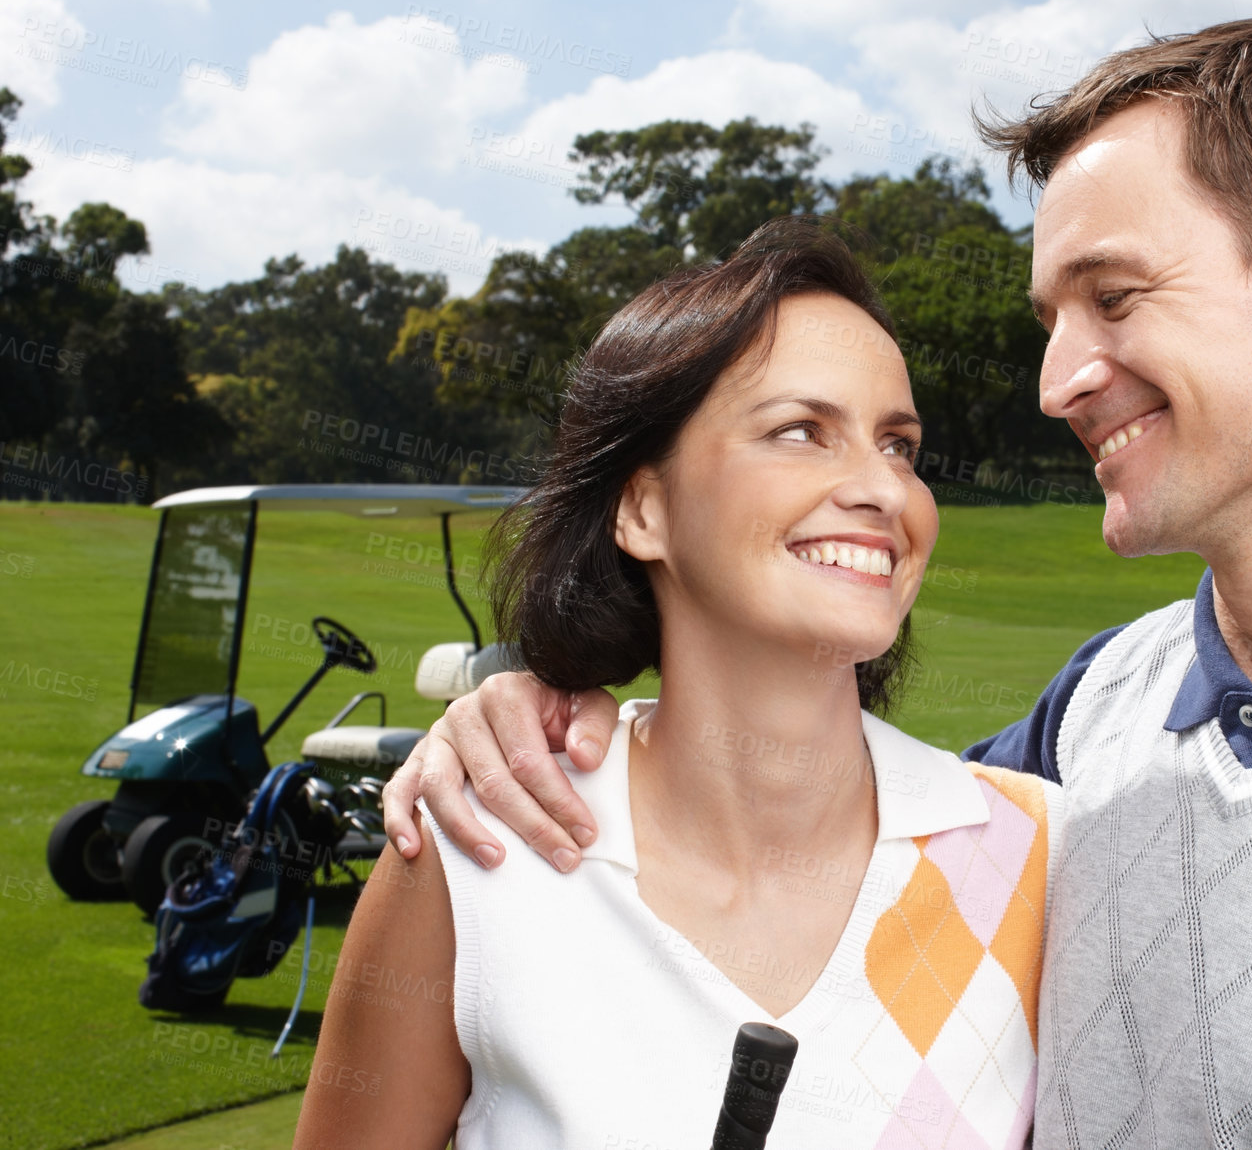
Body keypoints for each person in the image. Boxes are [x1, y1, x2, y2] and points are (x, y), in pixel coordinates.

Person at [380, 20, 1252, 1150]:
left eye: (1117, 297)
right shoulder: (1092, 721)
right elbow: (805, 805)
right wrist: (520, 705)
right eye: (1051, 322)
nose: (1057, 380)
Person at [296, 220, 1060, 1148]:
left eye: (898, 445)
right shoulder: (472, 850)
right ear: (644, 508)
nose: (883, 490)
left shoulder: (1040, 858)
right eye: (800, 432)